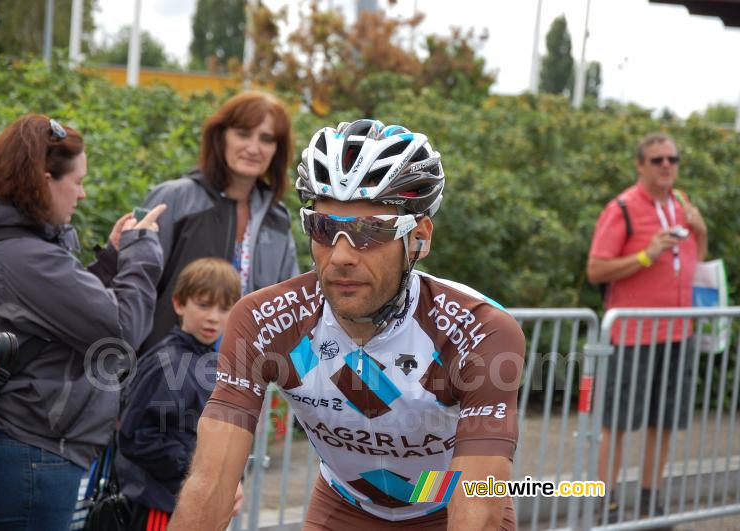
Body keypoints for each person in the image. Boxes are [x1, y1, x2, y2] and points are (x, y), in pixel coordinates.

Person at [168, 120, 526, 531]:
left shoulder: (479, 330)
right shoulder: (264, 321)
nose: (340, 256)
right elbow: (211, 482)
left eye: (369, 231)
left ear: (419, 239)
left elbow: (477, 502)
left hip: (450, 506)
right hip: (346, 508)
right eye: (323, 229)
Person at [0, 114, 166, 529]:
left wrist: (114, 257)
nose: (81, 194)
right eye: (77, 181)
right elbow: (120, 333)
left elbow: (63, 316)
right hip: (29, 454)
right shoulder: (26, 256)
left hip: (23, 448)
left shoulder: (20, 245)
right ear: (45, 179)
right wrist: (142, 254)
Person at [587, 133, 708, 522]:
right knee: (616, 426)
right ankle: (605, 506)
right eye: (657, 160)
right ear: (640, 165)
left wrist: (701, 232)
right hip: (632, 336)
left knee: (664, 423)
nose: (667, 165)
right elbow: (596, 269)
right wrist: (644, 255)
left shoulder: (682, 205)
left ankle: (651, 503)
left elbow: (693, 261)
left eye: (673, 158)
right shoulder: (621, 208)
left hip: (679, 333)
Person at [140, 91, 299, 351]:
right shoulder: (174, 198)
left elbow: (288, 308)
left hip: (242, 378)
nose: (253, 148)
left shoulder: (277, 219)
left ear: (277, 150)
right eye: (243, 134)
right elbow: (135, 287)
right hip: (168, 376)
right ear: (221, 136)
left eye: (267, 139)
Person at [114, 258, 244, 530]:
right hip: (157, 504)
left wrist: (227, 477)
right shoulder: (167, 362)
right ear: (179, 303)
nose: (213, 317)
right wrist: (206, 473)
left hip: (192, 500)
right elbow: (137, 436)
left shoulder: (212, 361)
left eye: (224, 308)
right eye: (204, 304)